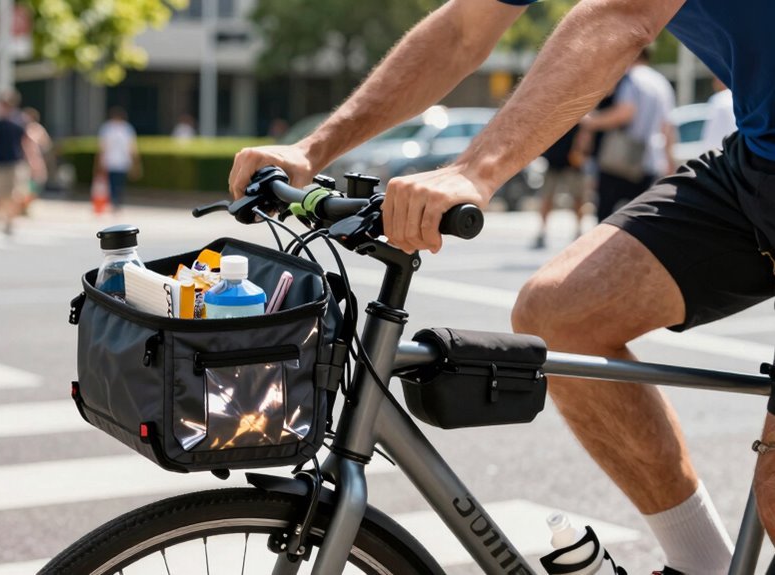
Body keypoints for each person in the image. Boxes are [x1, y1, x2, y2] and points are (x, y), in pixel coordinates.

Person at [229, 1, 775, 573]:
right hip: (759, 162)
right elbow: (464, 31)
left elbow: (619, 17)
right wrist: (311, 150)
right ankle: (703, 565)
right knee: (559, 314)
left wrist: (475, 170)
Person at [580, 48, 677, 221]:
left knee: (607, 217)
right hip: (651, 161)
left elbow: (625, 112)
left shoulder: (631, 78)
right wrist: (670, 163)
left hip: (621, 159)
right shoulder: (662, 82)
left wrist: (591, 121)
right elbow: (668, 127)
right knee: (641, 219)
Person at [0, 90, 43, 234]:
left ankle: (9, 221)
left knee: (15, 194)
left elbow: (27, 144)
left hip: (16, 163)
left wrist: (34, 162)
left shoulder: (20, 123)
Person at [532, 126, 586, 249]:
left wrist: (580, 150)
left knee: (578, 198)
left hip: (572, 161)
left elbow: (584, 131)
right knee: (547, 197)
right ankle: (542, 232)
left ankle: (578, 231)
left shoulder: (578, 112)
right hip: (554, 159)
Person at [97, 107, 140, 209]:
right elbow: (132, 147)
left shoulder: (108, 128)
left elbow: (102, 147)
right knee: (118, 183)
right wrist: (136, 162)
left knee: (114, 183)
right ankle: (116, 201)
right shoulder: (126, 128)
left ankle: (115, 200)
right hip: (120, 161)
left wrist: (99, 161)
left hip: (113, 161)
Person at [700, 78, 736, 152]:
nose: (713, 83)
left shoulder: (719, 100)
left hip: (726, 155)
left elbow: (710, 142)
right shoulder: (741, 97)